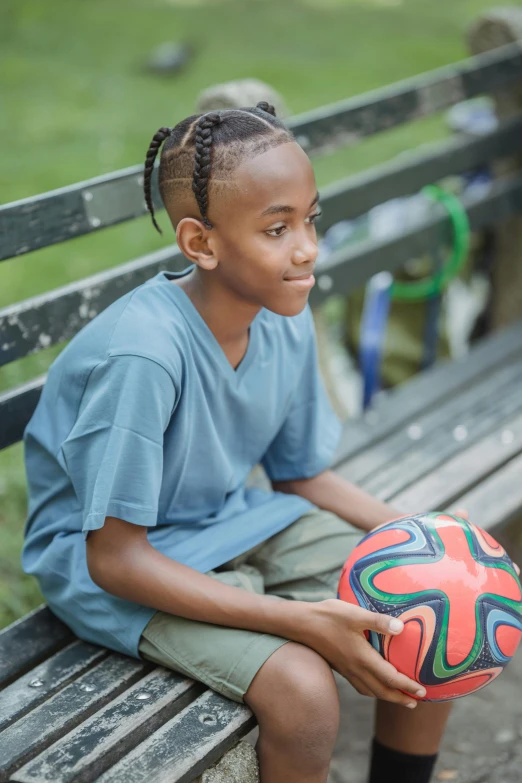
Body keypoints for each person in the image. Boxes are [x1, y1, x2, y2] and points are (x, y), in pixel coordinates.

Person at [22, 101, 452, 783]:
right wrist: (296, 619)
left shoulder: (282, 313)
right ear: (201, 243)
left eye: (310, 219)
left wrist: (428, 538)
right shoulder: (143, 356)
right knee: (303, 689)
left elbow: (299, 472)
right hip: (120, 563)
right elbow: (115, 559)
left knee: (429, 603)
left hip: (229, 518)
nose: (307, 247)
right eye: (277, 228)